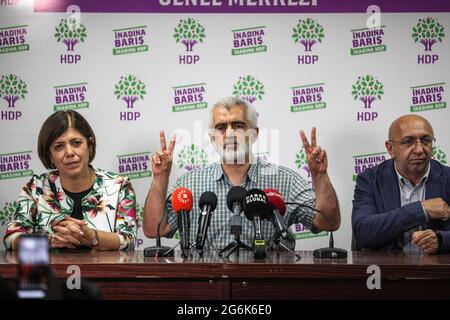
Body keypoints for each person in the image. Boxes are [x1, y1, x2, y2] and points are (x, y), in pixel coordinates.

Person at [143, 96, 340, 252]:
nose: (229, 134)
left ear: (254, 133)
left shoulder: (285, 180)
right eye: (221, 127)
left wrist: (319, 175)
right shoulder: (189, 183)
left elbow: (328, 222)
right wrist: (160, 178)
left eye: (238, 126)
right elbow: (155, 230)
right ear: (212, 138)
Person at [3, 110, 137, 251]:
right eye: (59, 146)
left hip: (104, 273)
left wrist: (92, 237)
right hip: (49, 273)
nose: (69, 152)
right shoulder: (35, 188)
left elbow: (129, 240)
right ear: (50, 156)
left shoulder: (119, 186)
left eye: (76, 143)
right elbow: (11, 239)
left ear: (89, 146)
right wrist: (49, 241)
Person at [352, 114, 450, 253]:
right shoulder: (370, 180)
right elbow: (363, 232)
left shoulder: (447, 178)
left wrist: (442, 240)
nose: (419, 149)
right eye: (408, 142)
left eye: (425, 140)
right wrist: (421, 210)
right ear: (390, 148)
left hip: (435, 272)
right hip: (387, 271)